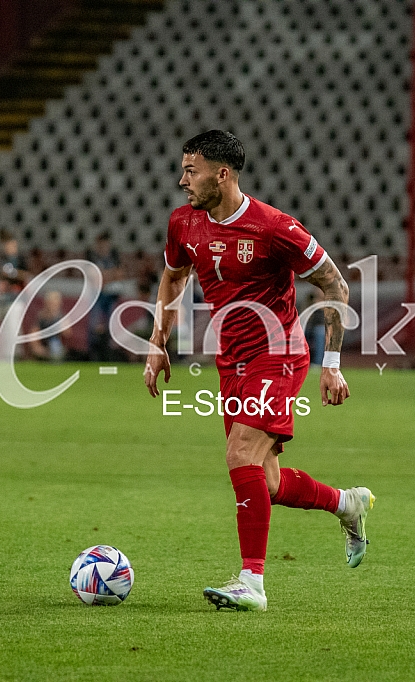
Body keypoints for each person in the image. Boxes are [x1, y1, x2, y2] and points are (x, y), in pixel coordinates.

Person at [143, 130, 373, 612]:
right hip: (232, 360)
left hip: (278, 354)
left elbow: (335, 284)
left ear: (222, 175)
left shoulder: (274, 228)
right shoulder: (183, 223)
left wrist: (332, 365)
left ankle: (252, 583)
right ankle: (345, 503)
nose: (182, 180)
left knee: (240, 453)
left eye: (191, 171)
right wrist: (158, 340)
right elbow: (174, 276)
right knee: (265, 481)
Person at [85, 231, 125, 361]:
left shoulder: (114, 255)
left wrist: (104, 276)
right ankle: (92, 352)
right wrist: (109, 275)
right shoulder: (92, 255)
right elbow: (93, 277)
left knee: (111, 324)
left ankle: (108, 352)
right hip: (97, 295)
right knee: (94, 323)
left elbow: (119, 274)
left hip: (111, 295)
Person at [0, 230, 28, 322]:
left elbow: (25, 275)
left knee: (13, 322)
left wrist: (12, 273)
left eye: (11, 245)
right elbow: (0, 275)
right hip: (3, 296)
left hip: (16, 296)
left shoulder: (20, 260)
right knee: (3, 323)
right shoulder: (3, 259)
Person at [27, 290, 71, 362]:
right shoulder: (41, 317)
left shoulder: (61, 317)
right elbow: (34, 334)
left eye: (55, 304)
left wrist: (57, 321)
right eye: (51, 303)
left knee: (55, 346)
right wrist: (36, 346)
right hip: (44, 345)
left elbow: (67, 333)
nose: (53, 306)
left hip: (56, 345)